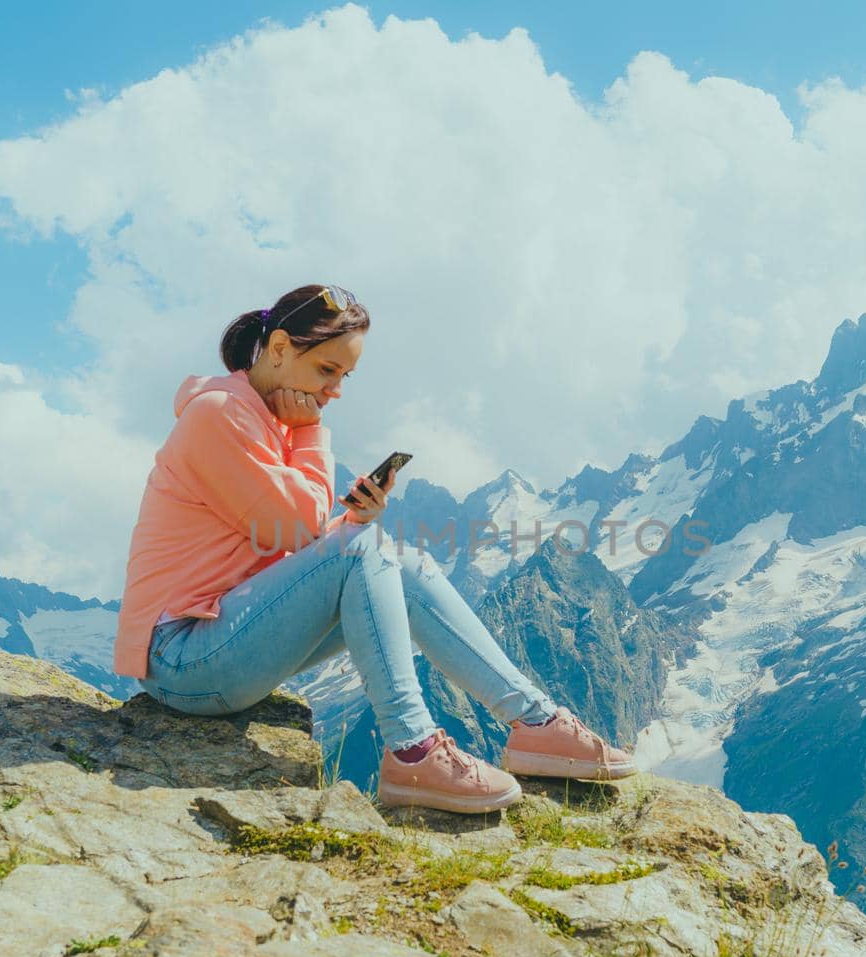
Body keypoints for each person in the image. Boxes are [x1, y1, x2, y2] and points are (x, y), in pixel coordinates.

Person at [112, 283, 635, 814]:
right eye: (326, 370)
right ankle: (413, 751)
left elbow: (290, 538)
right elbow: (295, 528)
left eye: (344, 376)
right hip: (179, 659)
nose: (336, 390)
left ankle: (536, 722)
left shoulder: (264, 419)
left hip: (221, 639)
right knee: (363, 547)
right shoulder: (219, 414)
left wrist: (353, 519)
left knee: (397, 559)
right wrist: (313, 432)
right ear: (278, 349)